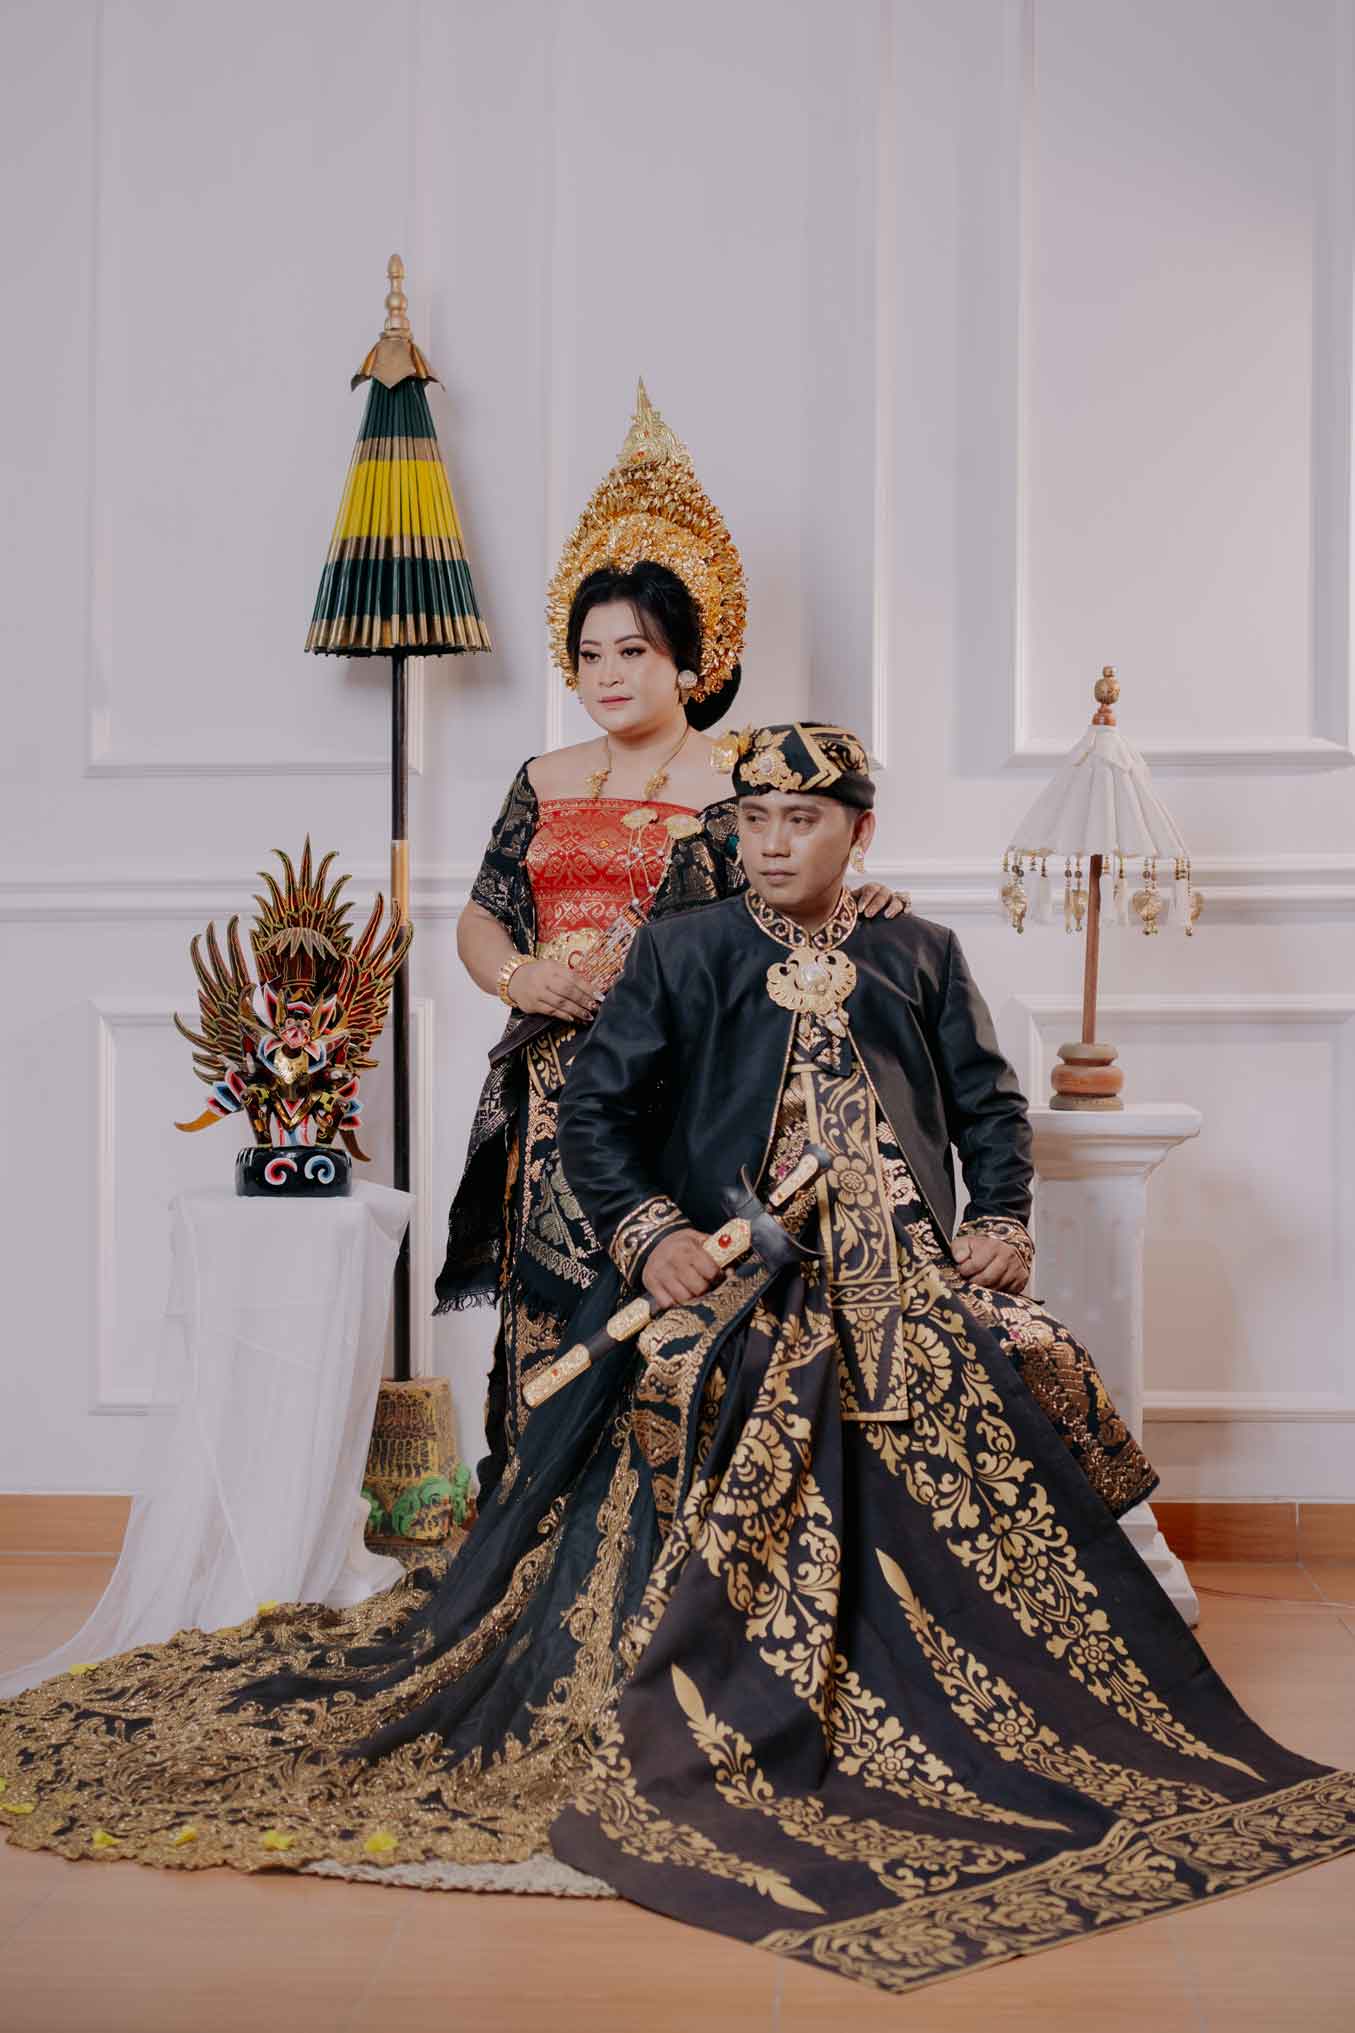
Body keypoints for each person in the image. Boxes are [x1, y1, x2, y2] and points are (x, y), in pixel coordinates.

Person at [5, 722, 1350, 2005]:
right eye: (753, 817)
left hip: (905, 1274)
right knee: (751, 1380)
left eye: (801, 819)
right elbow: (594, 1113)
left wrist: (998, 1217)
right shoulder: (685, 946)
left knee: (1031, 1366)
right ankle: (759, 1694)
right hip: (728, 1263)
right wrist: (648, 1236)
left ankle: (1000, 1681)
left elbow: (987, 1103)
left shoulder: (918, 950)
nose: (771, 842)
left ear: (859, 830)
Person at [436, 386, 902, 1495]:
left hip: (678, 1085)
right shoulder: (543, 777)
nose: (606, 674)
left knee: (666, 1300)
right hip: (551, 1088)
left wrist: (865, 901)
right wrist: (519, 974)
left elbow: (795, 896)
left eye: (633, 651)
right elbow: (481, 912)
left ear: (688, 658)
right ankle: (536, 1532)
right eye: (589, 652)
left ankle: (662, 1537)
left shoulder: (742, 780)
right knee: (550, 1312)